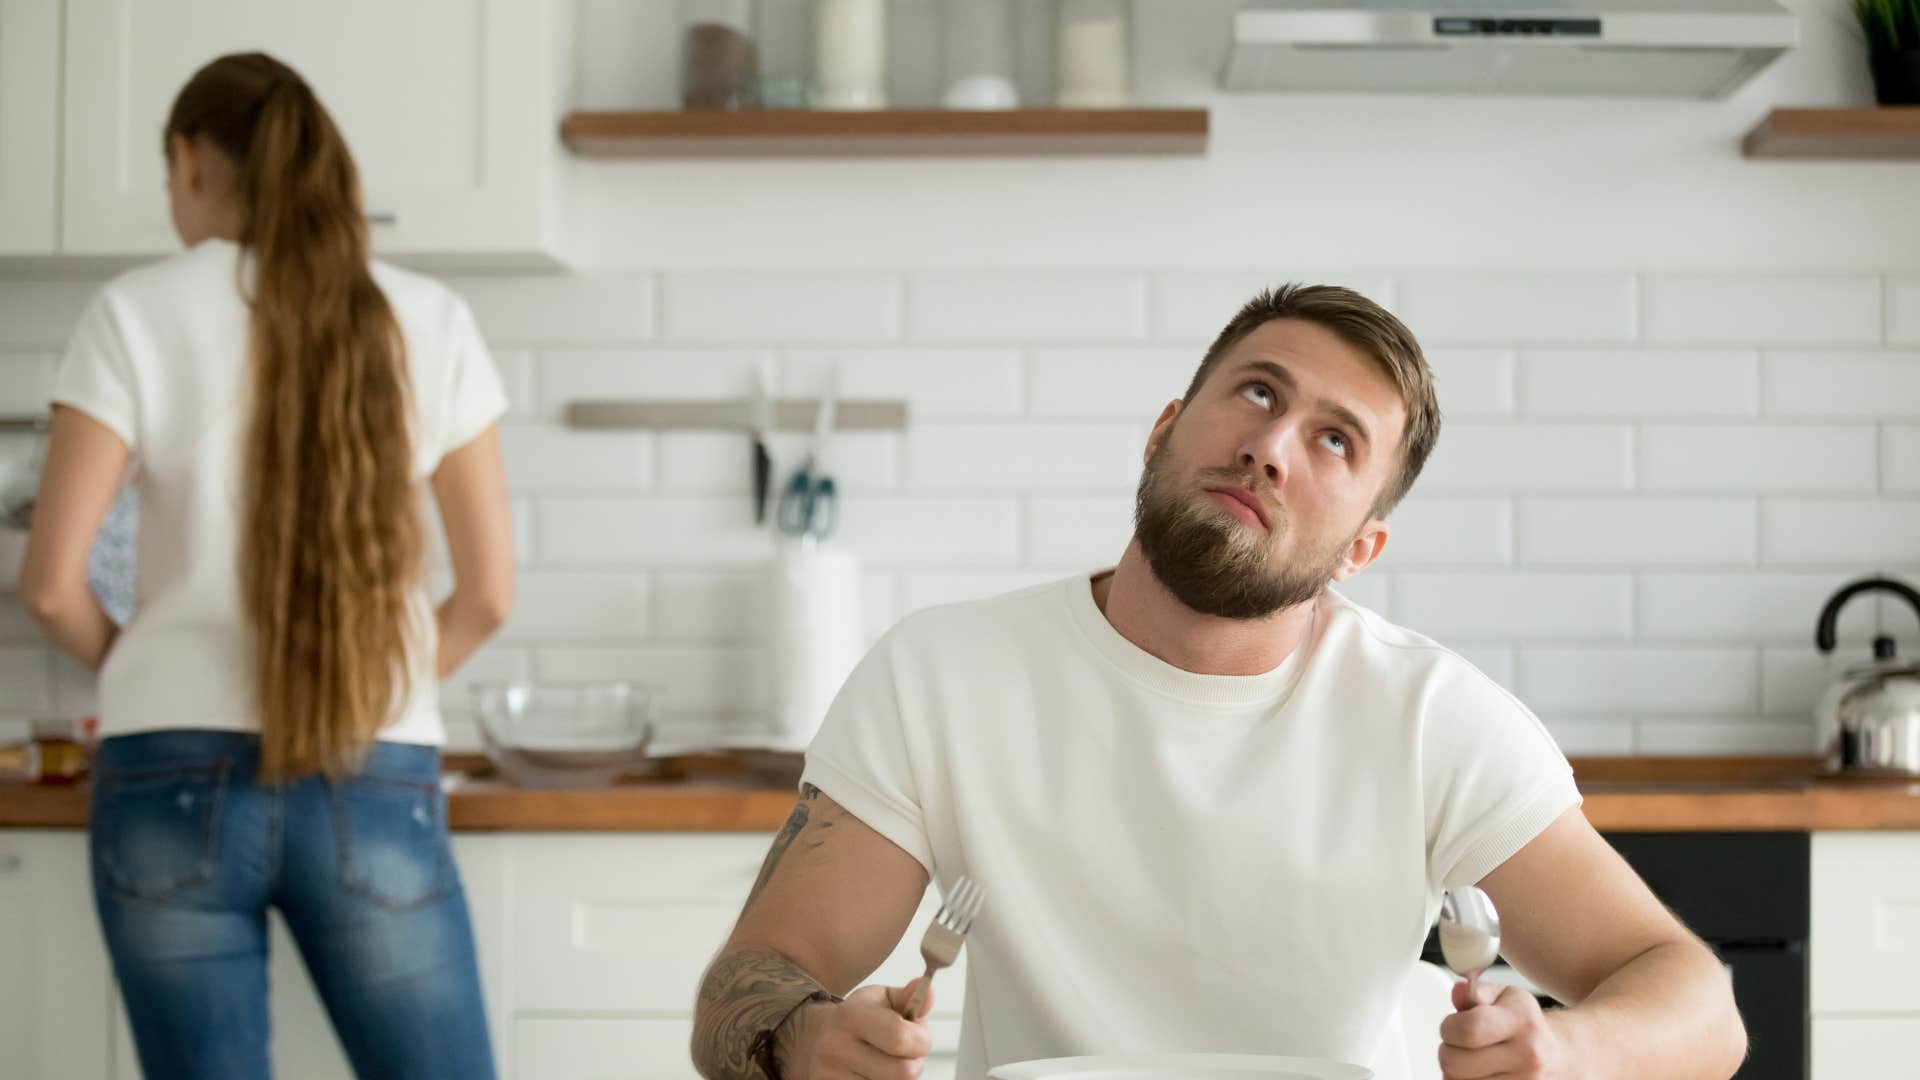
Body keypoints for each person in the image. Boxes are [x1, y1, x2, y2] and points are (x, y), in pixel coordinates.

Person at [691, 285, 1748, 1080]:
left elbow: (1702, 1008)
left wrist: (1569, 1054)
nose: (1271, 447)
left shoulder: (1432, 718)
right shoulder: (939, 676)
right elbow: (749, 987)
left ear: (1360, 550)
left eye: (1335, 440)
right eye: (1257, 392)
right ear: (1164, 430)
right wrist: (808, 1037)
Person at [19, 52, 513, 1080]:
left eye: (170, 181)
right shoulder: (428, 319)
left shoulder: (132, 311)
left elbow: (52, 585)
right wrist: (380, 683)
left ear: (192, 162)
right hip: (371, 760)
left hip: (166, 772)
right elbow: (489, 595)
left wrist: (147, 664)